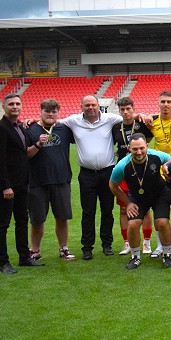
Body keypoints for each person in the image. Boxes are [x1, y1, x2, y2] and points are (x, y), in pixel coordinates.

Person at [60, 95, 124, 260]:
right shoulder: (73, 121)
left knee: (107, 211)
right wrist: (32, 121)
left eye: (93, 105)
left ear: (98, 106)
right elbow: (54, 122)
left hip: (108, 172)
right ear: (81, 106)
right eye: (87, 105)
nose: (90, 108)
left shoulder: (110, 119)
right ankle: (87, 247)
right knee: (88, 212)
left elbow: (129, 116)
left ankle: (107, 244)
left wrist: (142, 116)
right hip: (87, 174)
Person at [0, 94, 46, 273]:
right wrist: (5, 186)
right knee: (3, 224)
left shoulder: (20, 127)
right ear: (4, 107)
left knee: (22, 221)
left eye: (18, 104)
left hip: (22, 183)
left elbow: (23, 154)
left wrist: (37, 144)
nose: (15, 106)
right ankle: (3, 262)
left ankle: (24, 257)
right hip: (6, 185)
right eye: (11, 104)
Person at [109, 133, 171, 269]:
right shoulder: (122, 165)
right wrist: (128, 203)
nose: (138, 152)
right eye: (134, 149)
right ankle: (135, 257)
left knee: (162, 222)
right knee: (133, 224)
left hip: (160, 195)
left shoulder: (156, 156)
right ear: (129, 148)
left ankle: (167, 254)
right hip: (137, 198)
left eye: (141, 148)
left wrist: (166, 165)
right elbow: (112, 185)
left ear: (146, 146)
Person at [26, 99, 76, 261]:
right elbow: (26, 154)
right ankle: (35, 250)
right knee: (37, 219)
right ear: (40, 111)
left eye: (54, 111)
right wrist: (39, 144)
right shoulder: (30, 130)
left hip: (61, 180)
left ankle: (64, 248)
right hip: (37, 182)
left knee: (62, 217)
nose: (50, 114)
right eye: (47, 111)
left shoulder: (64, 129)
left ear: (58, 113)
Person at [112, 96, 154, 255]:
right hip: (124, 171)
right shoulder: (116, 127)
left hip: (142, 170)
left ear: (133, 108)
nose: (125, 112)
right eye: (122, 109)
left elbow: (147, 140)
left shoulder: (142, 124)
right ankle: (127, 243)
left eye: (128, 109)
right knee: (123, 209)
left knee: (146, 208)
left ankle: (147, 242)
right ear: (119, 111)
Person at [147, 90, 171, 257]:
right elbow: (145, 144)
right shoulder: (151, 123)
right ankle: (160, 246)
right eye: (162, 102)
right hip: (158, 171)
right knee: (159, 210)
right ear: (158, 103)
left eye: (168, 102)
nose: (165, 105)